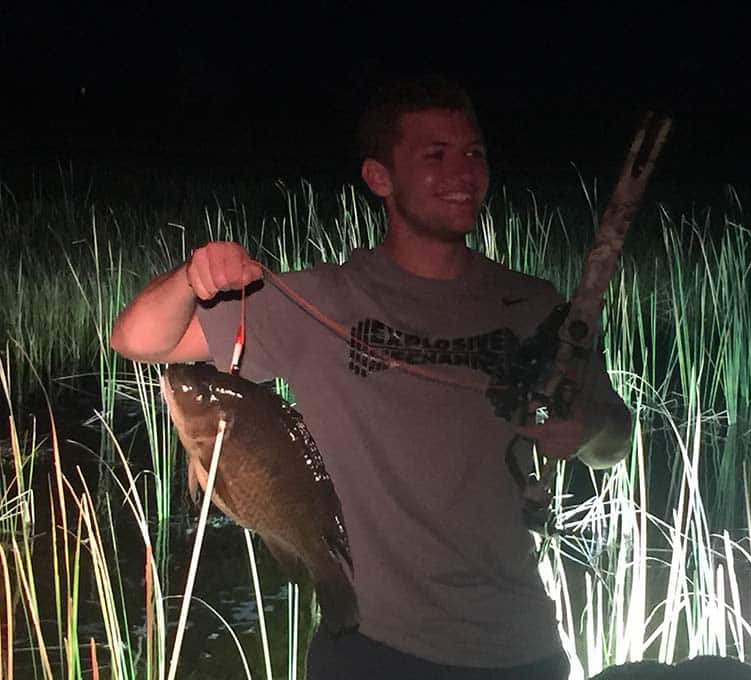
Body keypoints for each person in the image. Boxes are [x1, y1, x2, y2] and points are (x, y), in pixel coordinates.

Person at [110, 76, 632, 679]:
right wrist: (191, 274)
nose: (463, 173)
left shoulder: (532, 305)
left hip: (516, 646)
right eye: (434, 156)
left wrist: (586, 427)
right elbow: (140, 340)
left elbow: (612, 443)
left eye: (473, 154)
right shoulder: (324, 301)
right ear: (380, 178)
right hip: (366, 644)